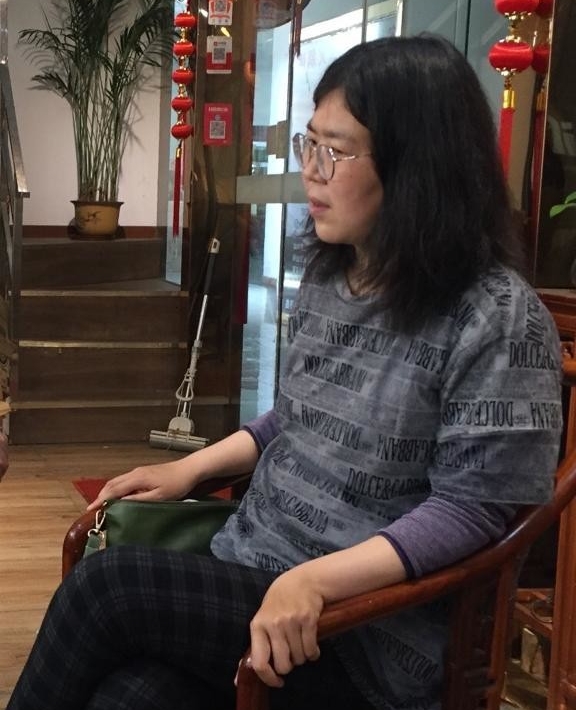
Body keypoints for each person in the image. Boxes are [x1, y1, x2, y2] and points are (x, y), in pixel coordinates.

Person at [7, 34, 563, 710]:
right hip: (256, 571)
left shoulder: (498, 318)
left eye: (336, 151)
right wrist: (190, 469)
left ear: (418, 166)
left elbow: (476, 510)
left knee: (106, 589)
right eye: (309, 144)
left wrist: (317, 582)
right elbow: (299, 417)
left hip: (363, 630)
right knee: (130, 696)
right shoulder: (335, 277)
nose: (312, 172)